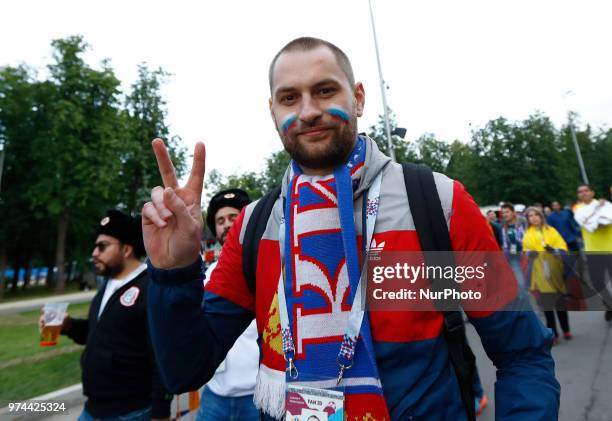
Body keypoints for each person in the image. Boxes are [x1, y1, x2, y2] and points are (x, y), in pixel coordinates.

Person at [142, 37, 559, 420]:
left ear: (358, 98)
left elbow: (521, 353)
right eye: (290, 98)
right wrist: (174, 272)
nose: (308, 111)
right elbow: (185, 370)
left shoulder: (436, 203)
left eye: (325, 91)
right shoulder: (255, 227)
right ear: (273, 112)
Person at [39, 210, 171, 421]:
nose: (94, 253)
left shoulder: (150, 289)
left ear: (126, 249)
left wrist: (160, 413)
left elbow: (161, 357)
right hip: (93, 409)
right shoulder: (108, 284)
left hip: (131, 413)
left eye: (102, 246)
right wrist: (68, 326)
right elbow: (100, 334)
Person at [197, 188, 259, 420]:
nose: (226, 224)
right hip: (215, 393)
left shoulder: (268, 267)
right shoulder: (206, 275)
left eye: (234, 217)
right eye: (220, 220)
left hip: (257, 393)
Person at [523, 206, 572, 344]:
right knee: (547, 306)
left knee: (560, 303)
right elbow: (526, 251)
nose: (533, 218)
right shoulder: (528, 234)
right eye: (530, 216)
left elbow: (563, 248)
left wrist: (554, 250)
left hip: (555, 270)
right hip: (540, 272)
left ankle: (566, 329)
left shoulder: (551, 231)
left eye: (536, 215)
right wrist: (531, 254)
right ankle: (553, 334)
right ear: (528, 220)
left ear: (541, 216)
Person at [574, 184, 612, 321]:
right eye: (580, 192)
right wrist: (597, 213)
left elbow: (605, 222)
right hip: (592, 252)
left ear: (592, 192)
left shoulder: (606, 205)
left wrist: (596, 218)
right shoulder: (578, 210)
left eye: (586, 190)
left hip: (610, 249)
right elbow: (590, 226)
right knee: (597, 283)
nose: (583, 193)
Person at [500, 203, 528, 292]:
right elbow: (504, 241)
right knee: (520, 282)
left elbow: (528, 235)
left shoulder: (522, 221)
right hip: (513, 255)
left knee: (530, 278)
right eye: (503, 213)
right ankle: (523, 299)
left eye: (507, 212)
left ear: (513, 212)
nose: (504, 215)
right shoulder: (503, 224)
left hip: (526, 253)